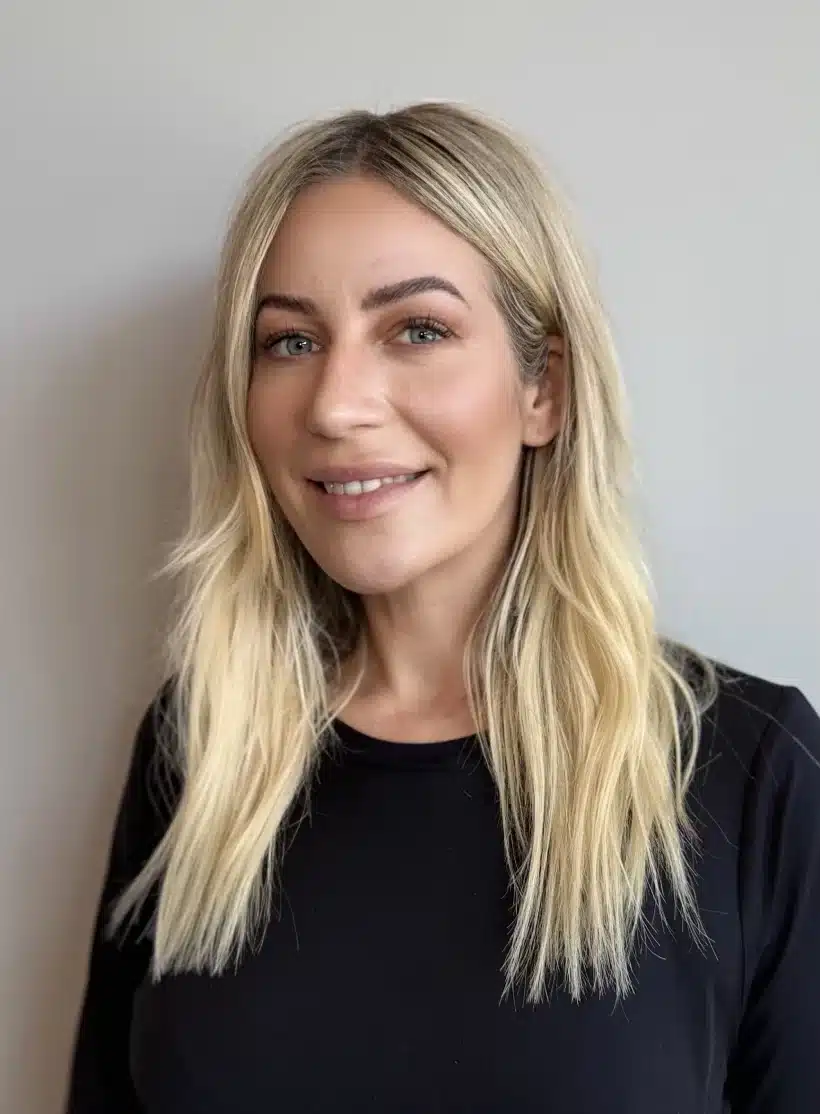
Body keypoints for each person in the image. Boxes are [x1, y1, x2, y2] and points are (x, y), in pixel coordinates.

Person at [65, 102, 820, 1113]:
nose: (336, 403)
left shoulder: (751, 771)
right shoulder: (202, 748)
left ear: (544, 390)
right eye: (290, 341)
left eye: (417, 329)